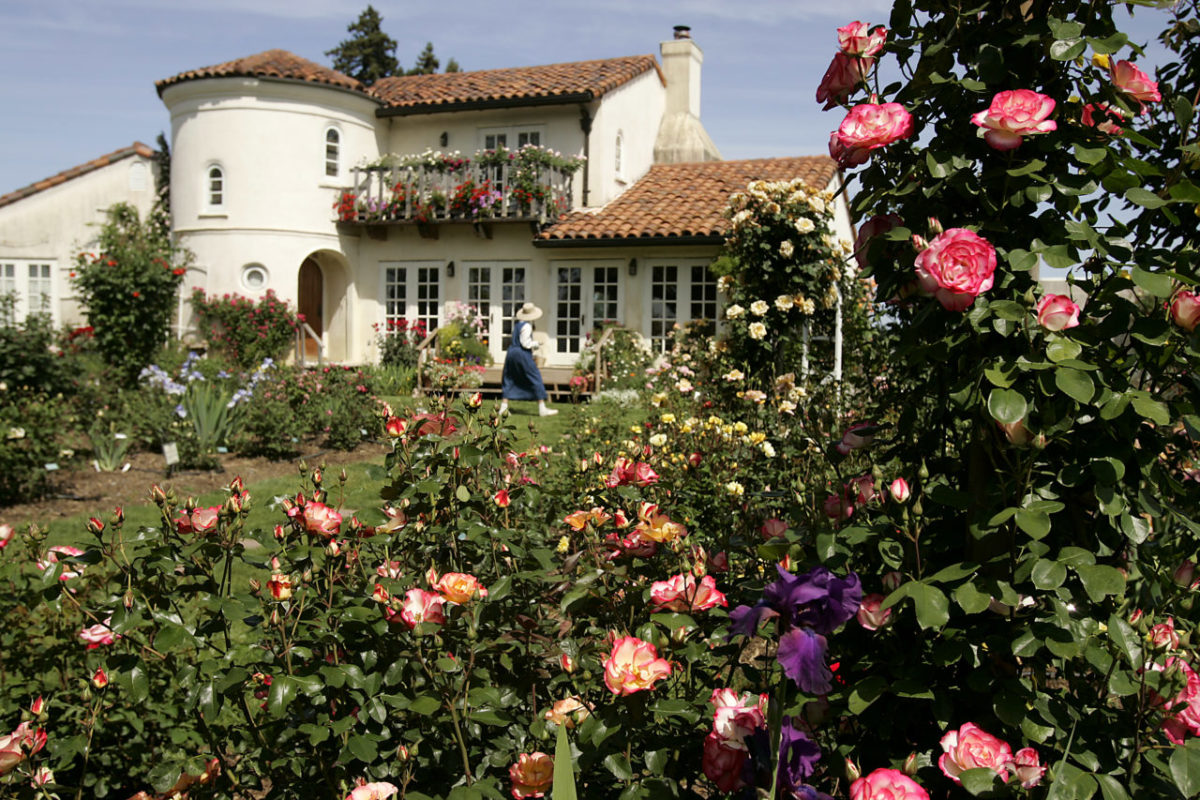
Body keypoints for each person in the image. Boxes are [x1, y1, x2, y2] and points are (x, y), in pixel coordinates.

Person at [499, 303, 558, 416]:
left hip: (511, 353)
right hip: (521, 354)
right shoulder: (527, 326)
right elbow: (525, 344)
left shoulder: (517, 325)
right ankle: (542, 408)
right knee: (534, 376)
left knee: (509, 377)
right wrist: (537, 344)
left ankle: (503, 407)